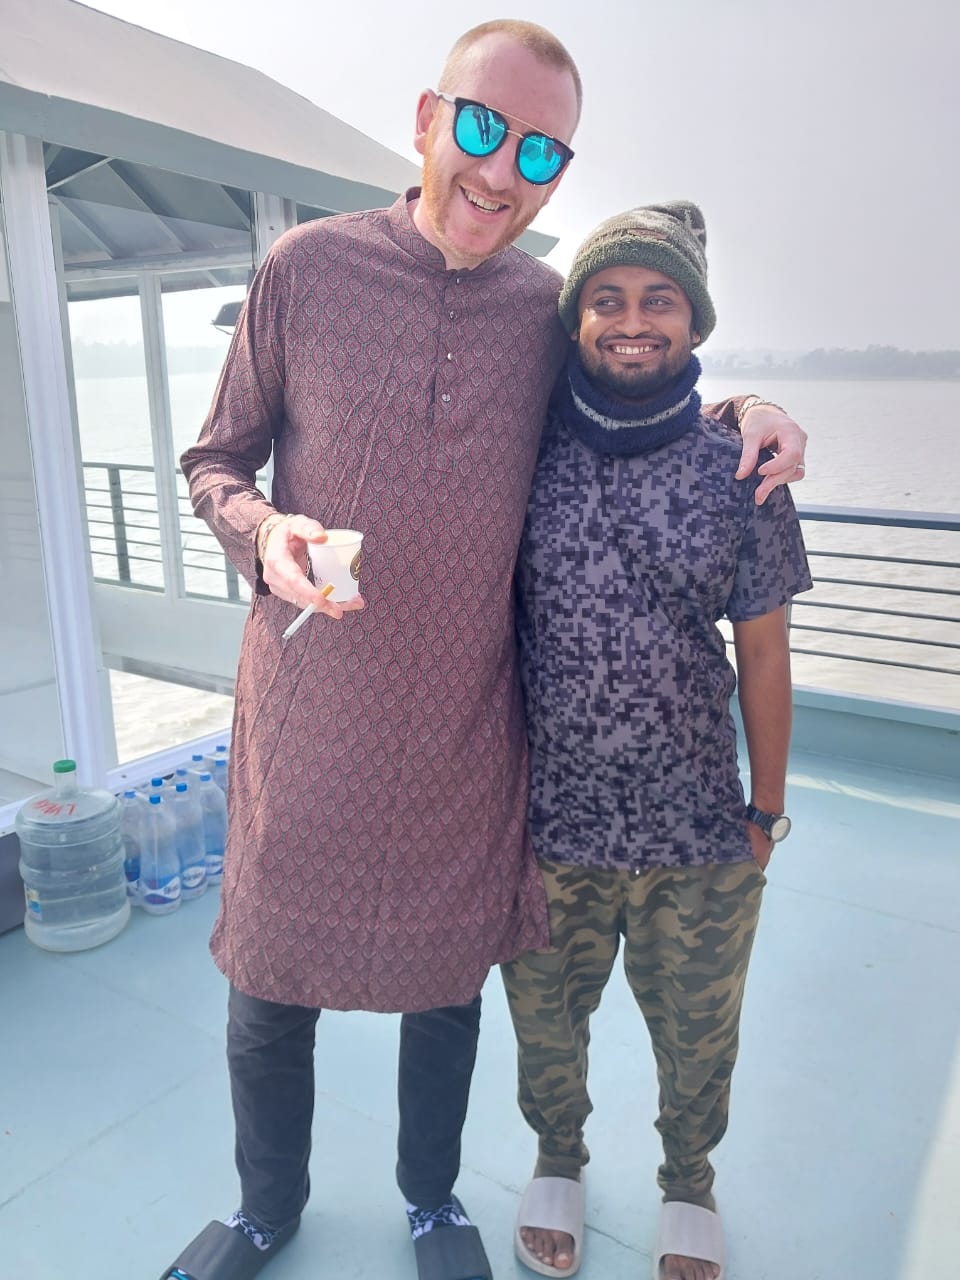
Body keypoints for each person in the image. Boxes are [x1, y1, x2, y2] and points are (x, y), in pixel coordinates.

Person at [162, 21, 807, 1280]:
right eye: (477, 127)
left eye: (538, 150)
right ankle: (262, 1206)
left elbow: (651, 376)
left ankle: (428, 1199)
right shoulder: (304, 268)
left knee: (449, 984)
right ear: (425, 119)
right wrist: (263, 527)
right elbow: (211, 458)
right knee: (269, 978)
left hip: (467, 722)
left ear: (558, 173)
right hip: (307, 707)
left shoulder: (540, 311)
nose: (499, 169)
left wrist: (752, 405)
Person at [503, 202, 813, 1280]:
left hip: (698, 825)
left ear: (694, 320)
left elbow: (765, 655)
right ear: (575, 318)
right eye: (607, 299)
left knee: (699, 1035)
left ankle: (690, 1178)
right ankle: (557, 1156)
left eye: (658, 300)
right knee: (548, 1019)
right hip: (552, 820)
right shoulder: (524, 448)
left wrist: (764, 812)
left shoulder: (741, 467)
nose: (632, 322)